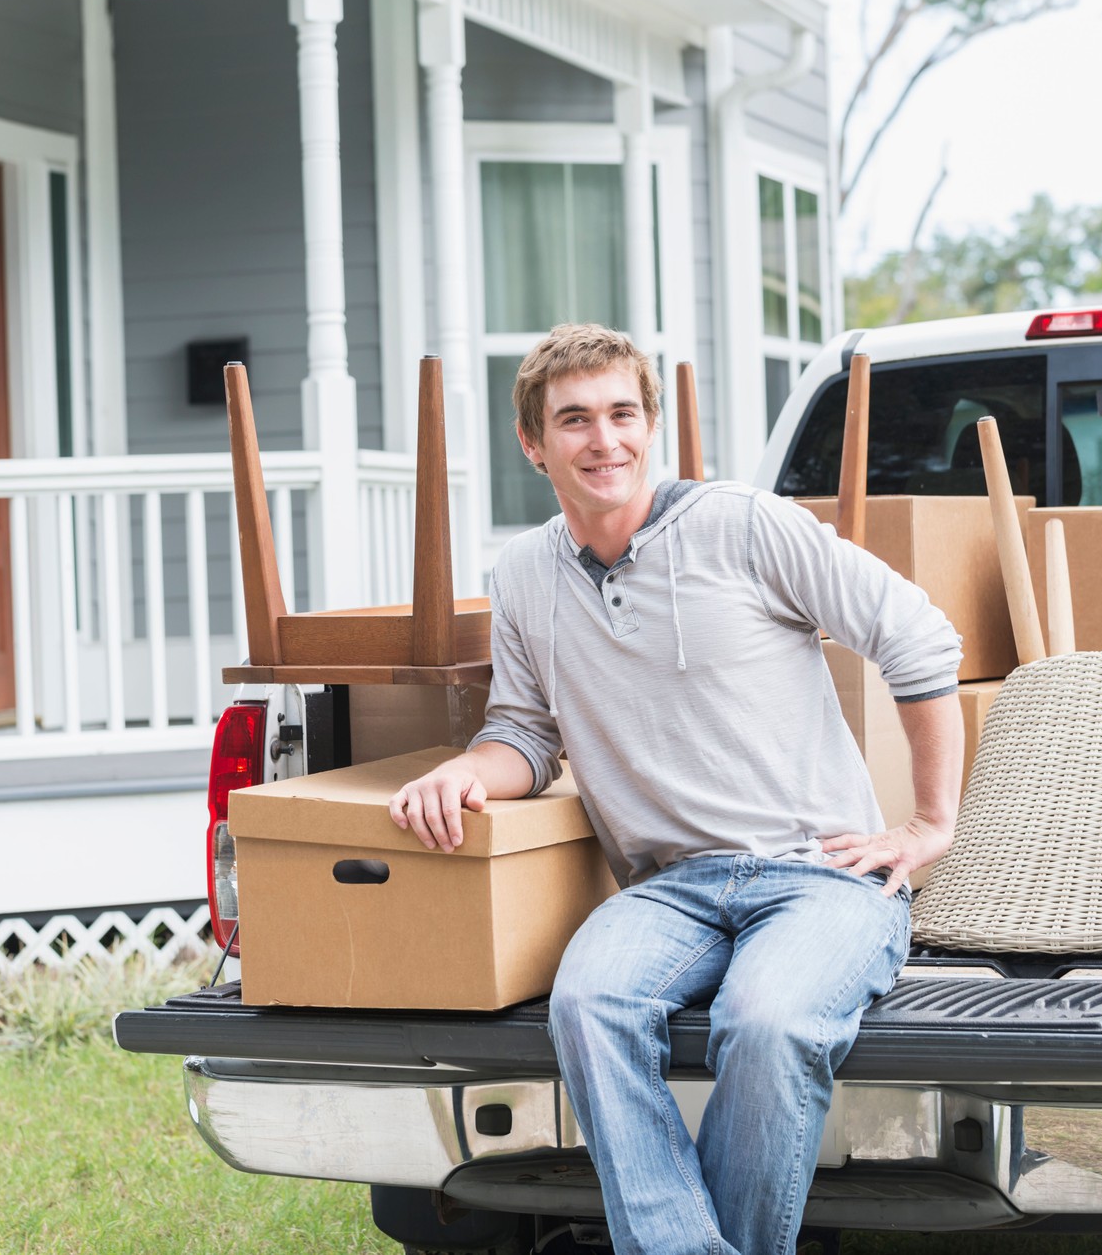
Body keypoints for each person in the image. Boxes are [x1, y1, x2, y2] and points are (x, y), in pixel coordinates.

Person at [388, 323, 964, 1255]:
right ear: (534, 444)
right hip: (667, 891)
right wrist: (464, 769)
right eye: (573, 420)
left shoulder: (741, 523)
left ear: (650, 425)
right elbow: (527, 737)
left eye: (621, 414)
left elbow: (918, 637)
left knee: (769, 1023)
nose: (602, 440)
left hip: (819, 877)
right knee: (588, 1006)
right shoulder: (527, 574)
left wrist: (931, 823)